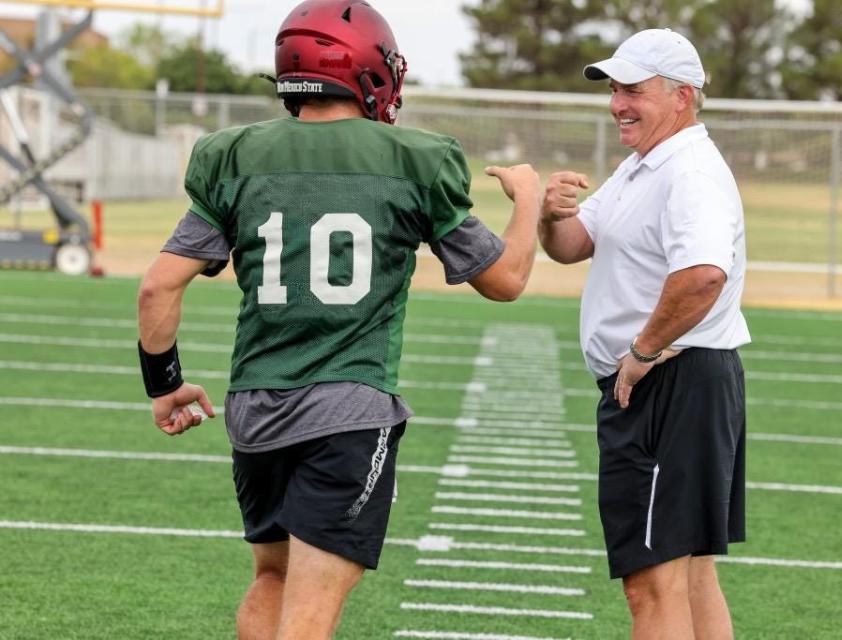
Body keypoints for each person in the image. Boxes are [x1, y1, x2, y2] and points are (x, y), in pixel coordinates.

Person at [135, 1, 540, 638]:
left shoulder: (233, 154)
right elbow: (506, 281)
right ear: (369, 71)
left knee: (271, 579)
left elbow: (158, 289)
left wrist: (164, 386)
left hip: (255, 409)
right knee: (311, 612)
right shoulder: (415, 158)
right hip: (348, 409)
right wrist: (530, 201)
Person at [538, 28, 751, 640]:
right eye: (614, 89)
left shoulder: (689, 172)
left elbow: (703, 274)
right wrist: (552, 216)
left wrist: (640, 352)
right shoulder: (645, 166)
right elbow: (575, 244)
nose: (616, 103)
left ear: (681, 95)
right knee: (688, 575)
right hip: (680, 382)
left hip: (670, 382)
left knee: (652, 581)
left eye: (633, 89)